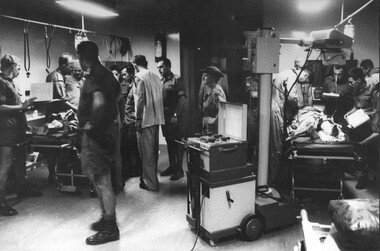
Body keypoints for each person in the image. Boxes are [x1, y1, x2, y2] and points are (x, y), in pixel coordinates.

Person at [76, 41, 120, 245]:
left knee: (102, 181)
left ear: (82, 57)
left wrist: (90, 126)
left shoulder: (95, 76)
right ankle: (106, 218)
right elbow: (117, 94)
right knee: (99, 178)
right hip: (108, 130)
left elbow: (99, 102)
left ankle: (110, 227)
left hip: (97, 134)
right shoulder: (108, 74)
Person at [0, 54, 42, 216]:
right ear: (12, 66)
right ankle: (1, 202)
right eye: (18, 67)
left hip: (16, 131)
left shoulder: (11, 83)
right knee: (5, 166)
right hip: (5, 132)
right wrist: (21, 106)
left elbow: (15, 105)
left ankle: (22, 189)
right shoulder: (2, 83)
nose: (19, 70)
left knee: (18, 162)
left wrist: (25, 106)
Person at [270, 57, 310, 186]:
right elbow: (293, 98)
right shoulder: (292, 76)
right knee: (277, 147)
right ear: (304, 72)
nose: (304, 83)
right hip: (277, 112)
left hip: (274, 109)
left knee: (275, 145)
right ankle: (273, 180)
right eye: (306, 80)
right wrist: (302, 108)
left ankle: (274, 176)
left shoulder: (284, 73)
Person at [133, 55, 165, 192]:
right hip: (156, 118)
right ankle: (150, 179)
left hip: (145, 120)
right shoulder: (156, 76)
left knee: (146, 153)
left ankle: (151, 183)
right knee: (153, 151)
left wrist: (138, 119)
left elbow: (140, 99)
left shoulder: (139, 77)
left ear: (134, 64)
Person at [344, 67, 378, 189]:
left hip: (367, 124)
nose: (350, 84)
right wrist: (349, 113)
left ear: (358, 80)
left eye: (352, 81)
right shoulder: (356, 90)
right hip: (357, 123)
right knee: (357, 148)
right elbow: (357, 105)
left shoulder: (371, 91)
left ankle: (364, 178)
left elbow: (375, 109)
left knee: (365, 151)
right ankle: (356, 171)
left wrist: (369, 114)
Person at [45, 53, 76, 183]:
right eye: (71, 66)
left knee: (52, 148)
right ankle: (57, 174)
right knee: (57, 147)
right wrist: (77, 110)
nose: (72, 69)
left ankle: (54, 173)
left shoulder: (52, 75)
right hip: (56, 117)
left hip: (52, 116)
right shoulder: (57, 77)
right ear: (63, 65)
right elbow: (63, 100)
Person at [157, 58, 186, 181]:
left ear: (168, 66)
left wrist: (176, 115)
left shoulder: (177, 79)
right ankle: (172, 167)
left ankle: (180, 170)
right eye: (158, 67)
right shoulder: (161, 81)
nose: (159, 69)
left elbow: (183, 99)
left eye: (162, 67)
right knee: (169, 142)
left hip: (175, 117)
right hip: (164, 117)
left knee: (178, 143)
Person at [119, 63, 142, 180]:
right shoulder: (125, 85)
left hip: (132, 120)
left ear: (131, 74)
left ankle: (137, 169)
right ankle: (131, 168)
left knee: (133, 146)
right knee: (127, 146)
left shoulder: (136, 85)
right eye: (122, 75)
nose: (123, 77)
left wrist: (134, 118)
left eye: (125, 74)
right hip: (126, 120)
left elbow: (138, 104)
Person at [199, 66, 226, 134]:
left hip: (215, 130)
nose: (203, 78)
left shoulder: (217, 91)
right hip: (208, 128)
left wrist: (215, 120)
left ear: (213, 78)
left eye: (206, 76)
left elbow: (223, 108)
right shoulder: (211, 90)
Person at [245, 73, 259, 166]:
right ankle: (249, 161)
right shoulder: (249, 80)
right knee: (251, 137)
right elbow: (253, 95)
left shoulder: (269, 78)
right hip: (253, 111)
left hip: (265, 111)